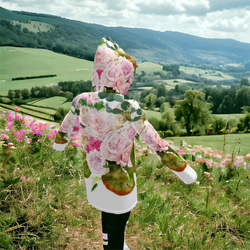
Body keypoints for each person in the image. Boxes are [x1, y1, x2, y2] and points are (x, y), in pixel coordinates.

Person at [53, 36, 197, 250]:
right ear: (119, 75)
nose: (129, 83)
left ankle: (106, 242)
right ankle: (114, 247)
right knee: (119, 218)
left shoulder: (81, 99)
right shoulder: (129, 107)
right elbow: (156, 143)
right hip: (121, 175)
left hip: (93, 172)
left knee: (105, 207)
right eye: (127, 78)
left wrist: (59, 145)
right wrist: (184, 170)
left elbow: (66, 126)